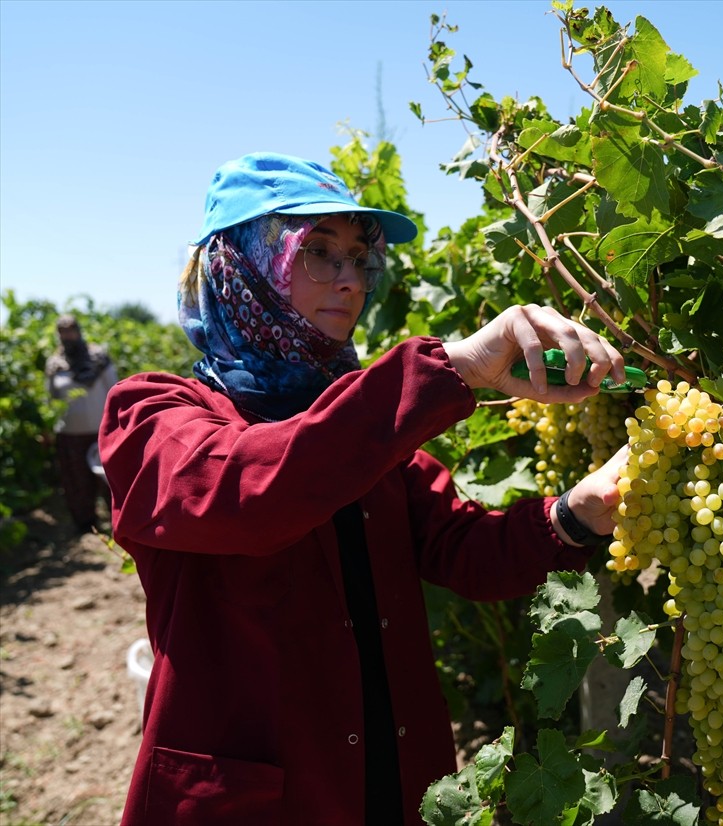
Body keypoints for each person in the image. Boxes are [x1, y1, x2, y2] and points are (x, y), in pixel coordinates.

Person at [98, 152, 629, 826]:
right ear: (243, 265)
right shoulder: (152, 414)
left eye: (361, 258)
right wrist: (454, 367)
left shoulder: (368, 426)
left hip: (391, 785)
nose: (350, 281)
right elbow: (253, 491)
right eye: (318, 253)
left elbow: (462, 548)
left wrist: (575, 515)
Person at [45, 314, 119, 531]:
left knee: (110, 479)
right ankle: (86, 523)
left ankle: (118, 522)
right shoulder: (54, 364)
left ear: (79, 330)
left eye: (71, 330)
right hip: (69, 434)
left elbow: (114, 391)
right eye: (63, 331)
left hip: (100, 432)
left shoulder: (98, 358)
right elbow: (50, 399)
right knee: (77, 482)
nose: (68, 335)